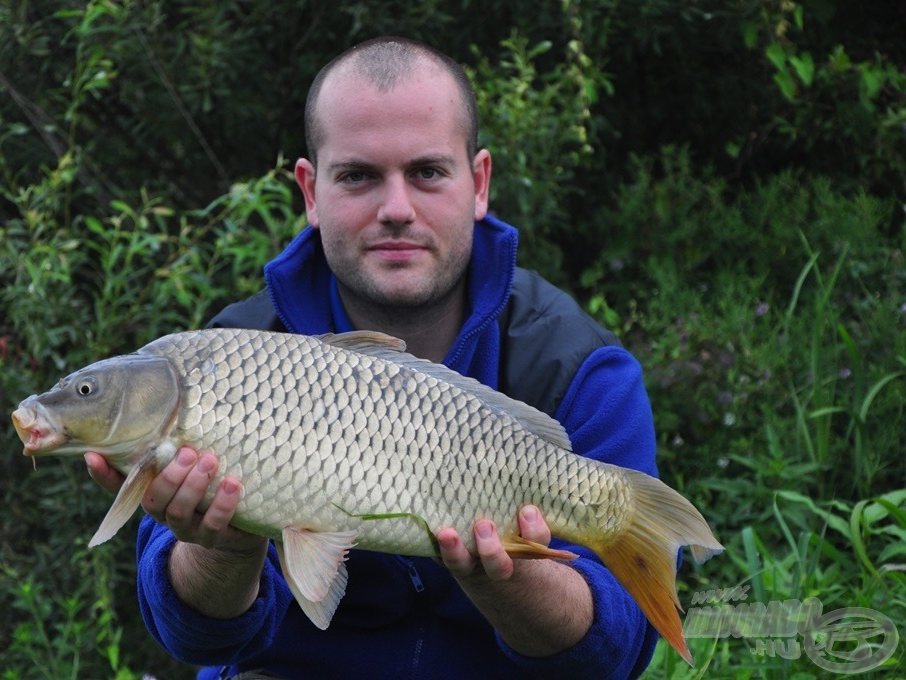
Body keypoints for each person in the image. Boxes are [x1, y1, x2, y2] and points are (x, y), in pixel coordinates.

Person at [86, 36, 661, 678]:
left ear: (479, 182)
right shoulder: (232, 359)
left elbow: (620, 653)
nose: (395, 209)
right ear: (310, 191)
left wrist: (508, 581)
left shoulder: (579, 365)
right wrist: (223, 552)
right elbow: (192, 638)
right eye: (358, 176)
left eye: (427, 172)